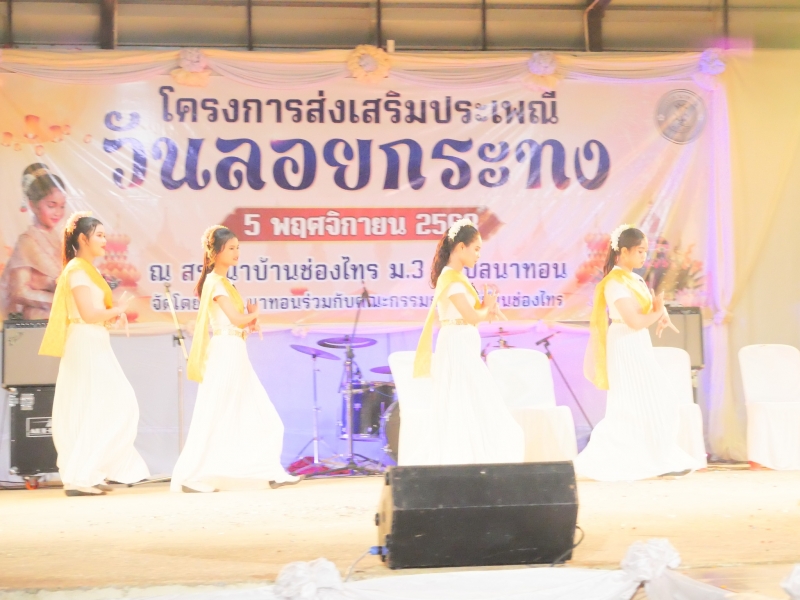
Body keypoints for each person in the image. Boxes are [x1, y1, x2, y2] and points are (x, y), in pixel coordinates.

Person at [171, 225, 300, 493]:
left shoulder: (225, 283)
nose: (236, 252)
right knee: (218, 414)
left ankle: (268, 471)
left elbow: (237, 323)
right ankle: (193, 476)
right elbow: (235, 319)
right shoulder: (215, 282)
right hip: (225, 353)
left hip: (234, 350)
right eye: (231, 248)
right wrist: (253, 315)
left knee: (254, 413)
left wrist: (249, 322)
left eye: (238, 247)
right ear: (215, 252)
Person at [575, 224, 702, 481]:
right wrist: (657, 312)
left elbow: (646, 310)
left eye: (646, 250)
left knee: (652, 401)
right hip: (624, 344)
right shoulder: (613, 282)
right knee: (632, 404)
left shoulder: (636, 279)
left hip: (637, 343)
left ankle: (657, 457)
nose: (645, 255)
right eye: (640, 250)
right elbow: (633, 320)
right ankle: (627, 458)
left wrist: (660, 313)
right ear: (623, 251)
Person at [39, 212, 150, 496]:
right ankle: (81, 475)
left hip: (93, 340)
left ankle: (88, 472)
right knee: (110, 402)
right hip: (85, 342)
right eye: (99, 235)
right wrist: (117, 310)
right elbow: (88, 314)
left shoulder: (87, 270)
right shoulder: (77, 270)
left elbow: (94, 314)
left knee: (97, 405)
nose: (104, 240)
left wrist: (112, 317)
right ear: (83, 238)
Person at [413, 218, 525, 465]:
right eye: (475, 249)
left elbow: (475, 314)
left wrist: (487, 307)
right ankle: (462, 459)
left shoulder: (457, 278)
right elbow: (472, 316)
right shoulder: (450, 278)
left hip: (463, 344)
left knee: (470, 399)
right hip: (456, 346)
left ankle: (473, 458)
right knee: (465, 399)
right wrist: (487, 308)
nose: (478, 255)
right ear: (460, 247)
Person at [0, 163, 66, 320]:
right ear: (33, 205)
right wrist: (59, 300)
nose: (58, 212)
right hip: (34, 316)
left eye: (62, 206)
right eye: (51, 205)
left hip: (58, 311)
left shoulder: (58, 239)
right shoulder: (27, 241)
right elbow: (19, 292)